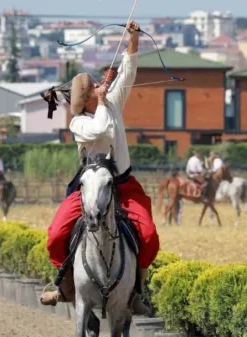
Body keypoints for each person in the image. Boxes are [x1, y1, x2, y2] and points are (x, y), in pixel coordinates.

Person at [40, 20, 160, 315]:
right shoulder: (79, 122)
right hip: (90, 186)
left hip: (124, 184)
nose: (100, 85)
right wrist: (105, 101)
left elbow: (128, 69)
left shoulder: (110, 101)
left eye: (99, 83)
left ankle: (137, 292)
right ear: (86, 97)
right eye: (95, 85)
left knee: (148, 236)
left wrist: (132, 39)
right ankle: (62, 285)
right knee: (56, 235)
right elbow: (100, 130)